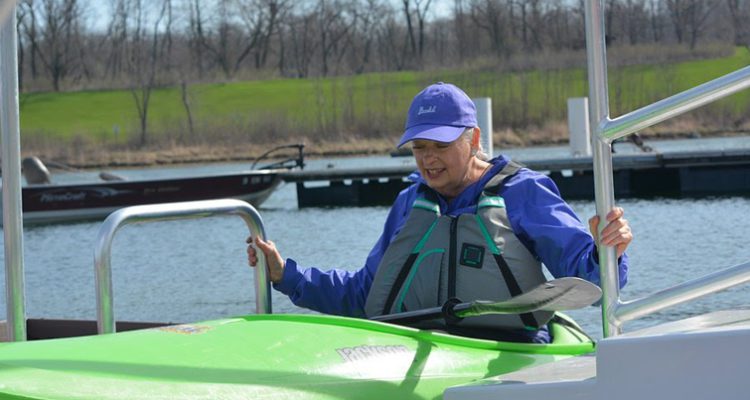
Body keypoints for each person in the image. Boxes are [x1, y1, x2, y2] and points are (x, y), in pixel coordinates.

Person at [247, 82, 632, 343]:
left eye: (440, 145)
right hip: (422, 352)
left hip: (514, 355)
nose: (428, 159)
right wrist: (286, 275)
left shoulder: (523, 192)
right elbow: (364, 296)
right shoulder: (409, 204)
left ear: (474, 139)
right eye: (419, 147)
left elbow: (592, 282)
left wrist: (608, 248)